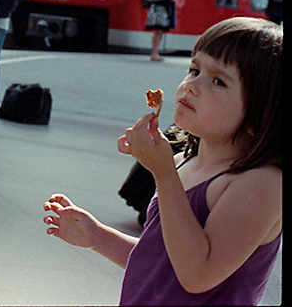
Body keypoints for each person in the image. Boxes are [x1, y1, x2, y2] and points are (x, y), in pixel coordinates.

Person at [43, 17, 282, 305]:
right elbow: (161, 260)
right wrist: (99, 238)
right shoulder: (184, 161)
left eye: (218, 81)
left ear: (260, 116)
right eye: (194, 70)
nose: (191, 86)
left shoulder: (261, 183)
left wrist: (164, 173)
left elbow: (197, 273)